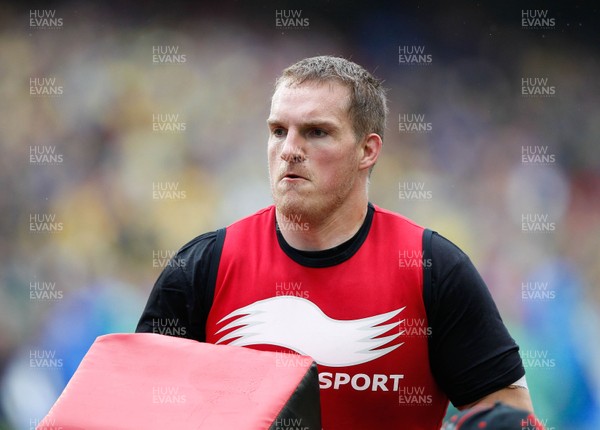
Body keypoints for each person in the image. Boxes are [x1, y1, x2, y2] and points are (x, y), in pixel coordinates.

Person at [136, 55, 533, 429]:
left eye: (316, 132)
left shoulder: (434, 268)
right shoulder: (202, 266)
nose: (289, 149)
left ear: (368, 150)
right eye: (278, 131)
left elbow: (512, 418)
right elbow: (135, 408)